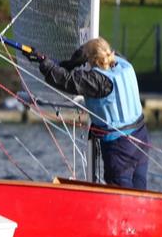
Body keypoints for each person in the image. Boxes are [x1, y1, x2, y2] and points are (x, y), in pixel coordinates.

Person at [25, 37, 149, 189]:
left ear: (92, 59)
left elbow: (67, 80)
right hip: (141, 138)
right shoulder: (123, 63)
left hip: (120, 147)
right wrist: (68, 64)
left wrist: (44, 63)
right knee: (139, 191)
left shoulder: (98, 81)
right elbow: (88, 53)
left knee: (120, 192)